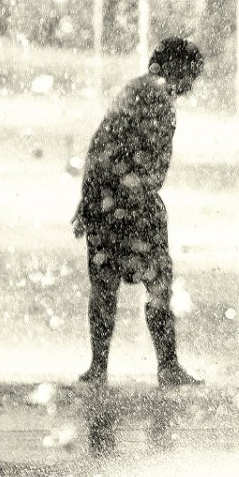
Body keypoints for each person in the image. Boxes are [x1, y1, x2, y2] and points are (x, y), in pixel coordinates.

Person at [74, 36, 206, 387]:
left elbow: (99, 144)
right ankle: (168, 366)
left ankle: (98, 368)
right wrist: (137, 197)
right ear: (176, 67)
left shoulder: (132, 89)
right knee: (159, 281)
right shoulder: (161, 96)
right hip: (134, 204)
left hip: (103, 200)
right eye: (191, 74)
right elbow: (152, 164)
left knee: (104, 285)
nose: (191, 86)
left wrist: (89, 199)